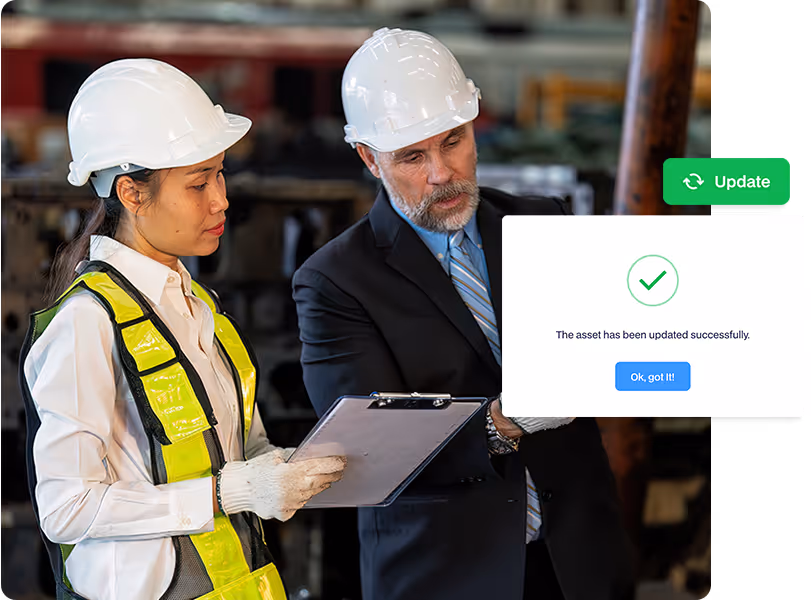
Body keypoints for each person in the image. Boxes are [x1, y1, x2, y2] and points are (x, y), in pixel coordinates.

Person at [293, 28, 636, 600]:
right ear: (369, 160)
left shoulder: (542, 222)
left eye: (452, 141)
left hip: (578, 564)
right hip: (448, 577)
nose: (441, 174)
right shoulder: (335, 282)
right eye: (412, 156)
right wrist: (504, 422)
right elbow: (369, 455)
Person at [20, 58, 346, 600]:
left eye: (220, 174)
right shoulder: (87, 323)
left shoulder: (200, 308)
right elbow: (66, 509)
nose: (221, 199)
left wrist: (276, 469)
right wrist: (226, 493)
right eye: (198, 183)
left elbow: (234, 455)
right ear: (131, 193)